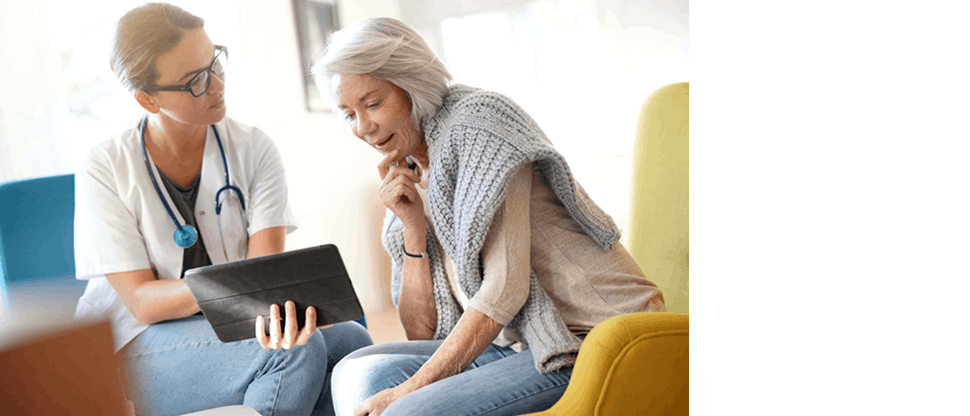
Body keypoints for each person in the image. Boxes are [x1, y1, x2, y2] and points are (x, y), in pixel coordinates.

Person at [311, 18, 666, 416]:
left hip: (593, 337)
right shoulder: (408, 170)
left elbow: (504, 288)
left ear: (411, 85)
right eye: (348, 114)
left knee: (405, 410)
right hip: (516, 345)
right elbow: (423, 331)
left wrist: (407, 391)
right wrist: (413, 227)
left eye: (374, 103)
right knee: (355, 371)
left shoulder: (479, 124)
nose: (363, 127)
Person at [72, 4, 372, 416]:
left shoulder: (253, 149)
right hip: (134, 342)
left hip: (224, 323)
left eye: (215, 62)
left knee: (352, 344)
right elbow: (142, 301)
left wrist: (281, 304)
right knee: (290, 353)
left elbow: (263, 278)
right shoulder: (105, 165)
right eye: (195, 80)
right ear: (148, 99)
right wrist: (230, 290)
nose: (216, 85)